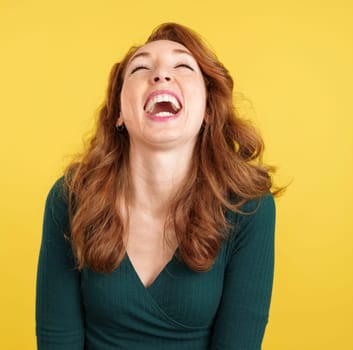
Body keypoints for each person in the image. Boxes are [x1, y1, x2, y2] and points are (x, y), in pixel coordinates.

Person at [36, 22, 283, 350]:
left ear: (208, 109)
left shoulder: (249, 207)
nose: (161, 75)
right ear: (119, 113)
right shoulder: (70, 198)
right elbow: (57, 341)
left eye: (182, 66)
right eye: (141, 68)